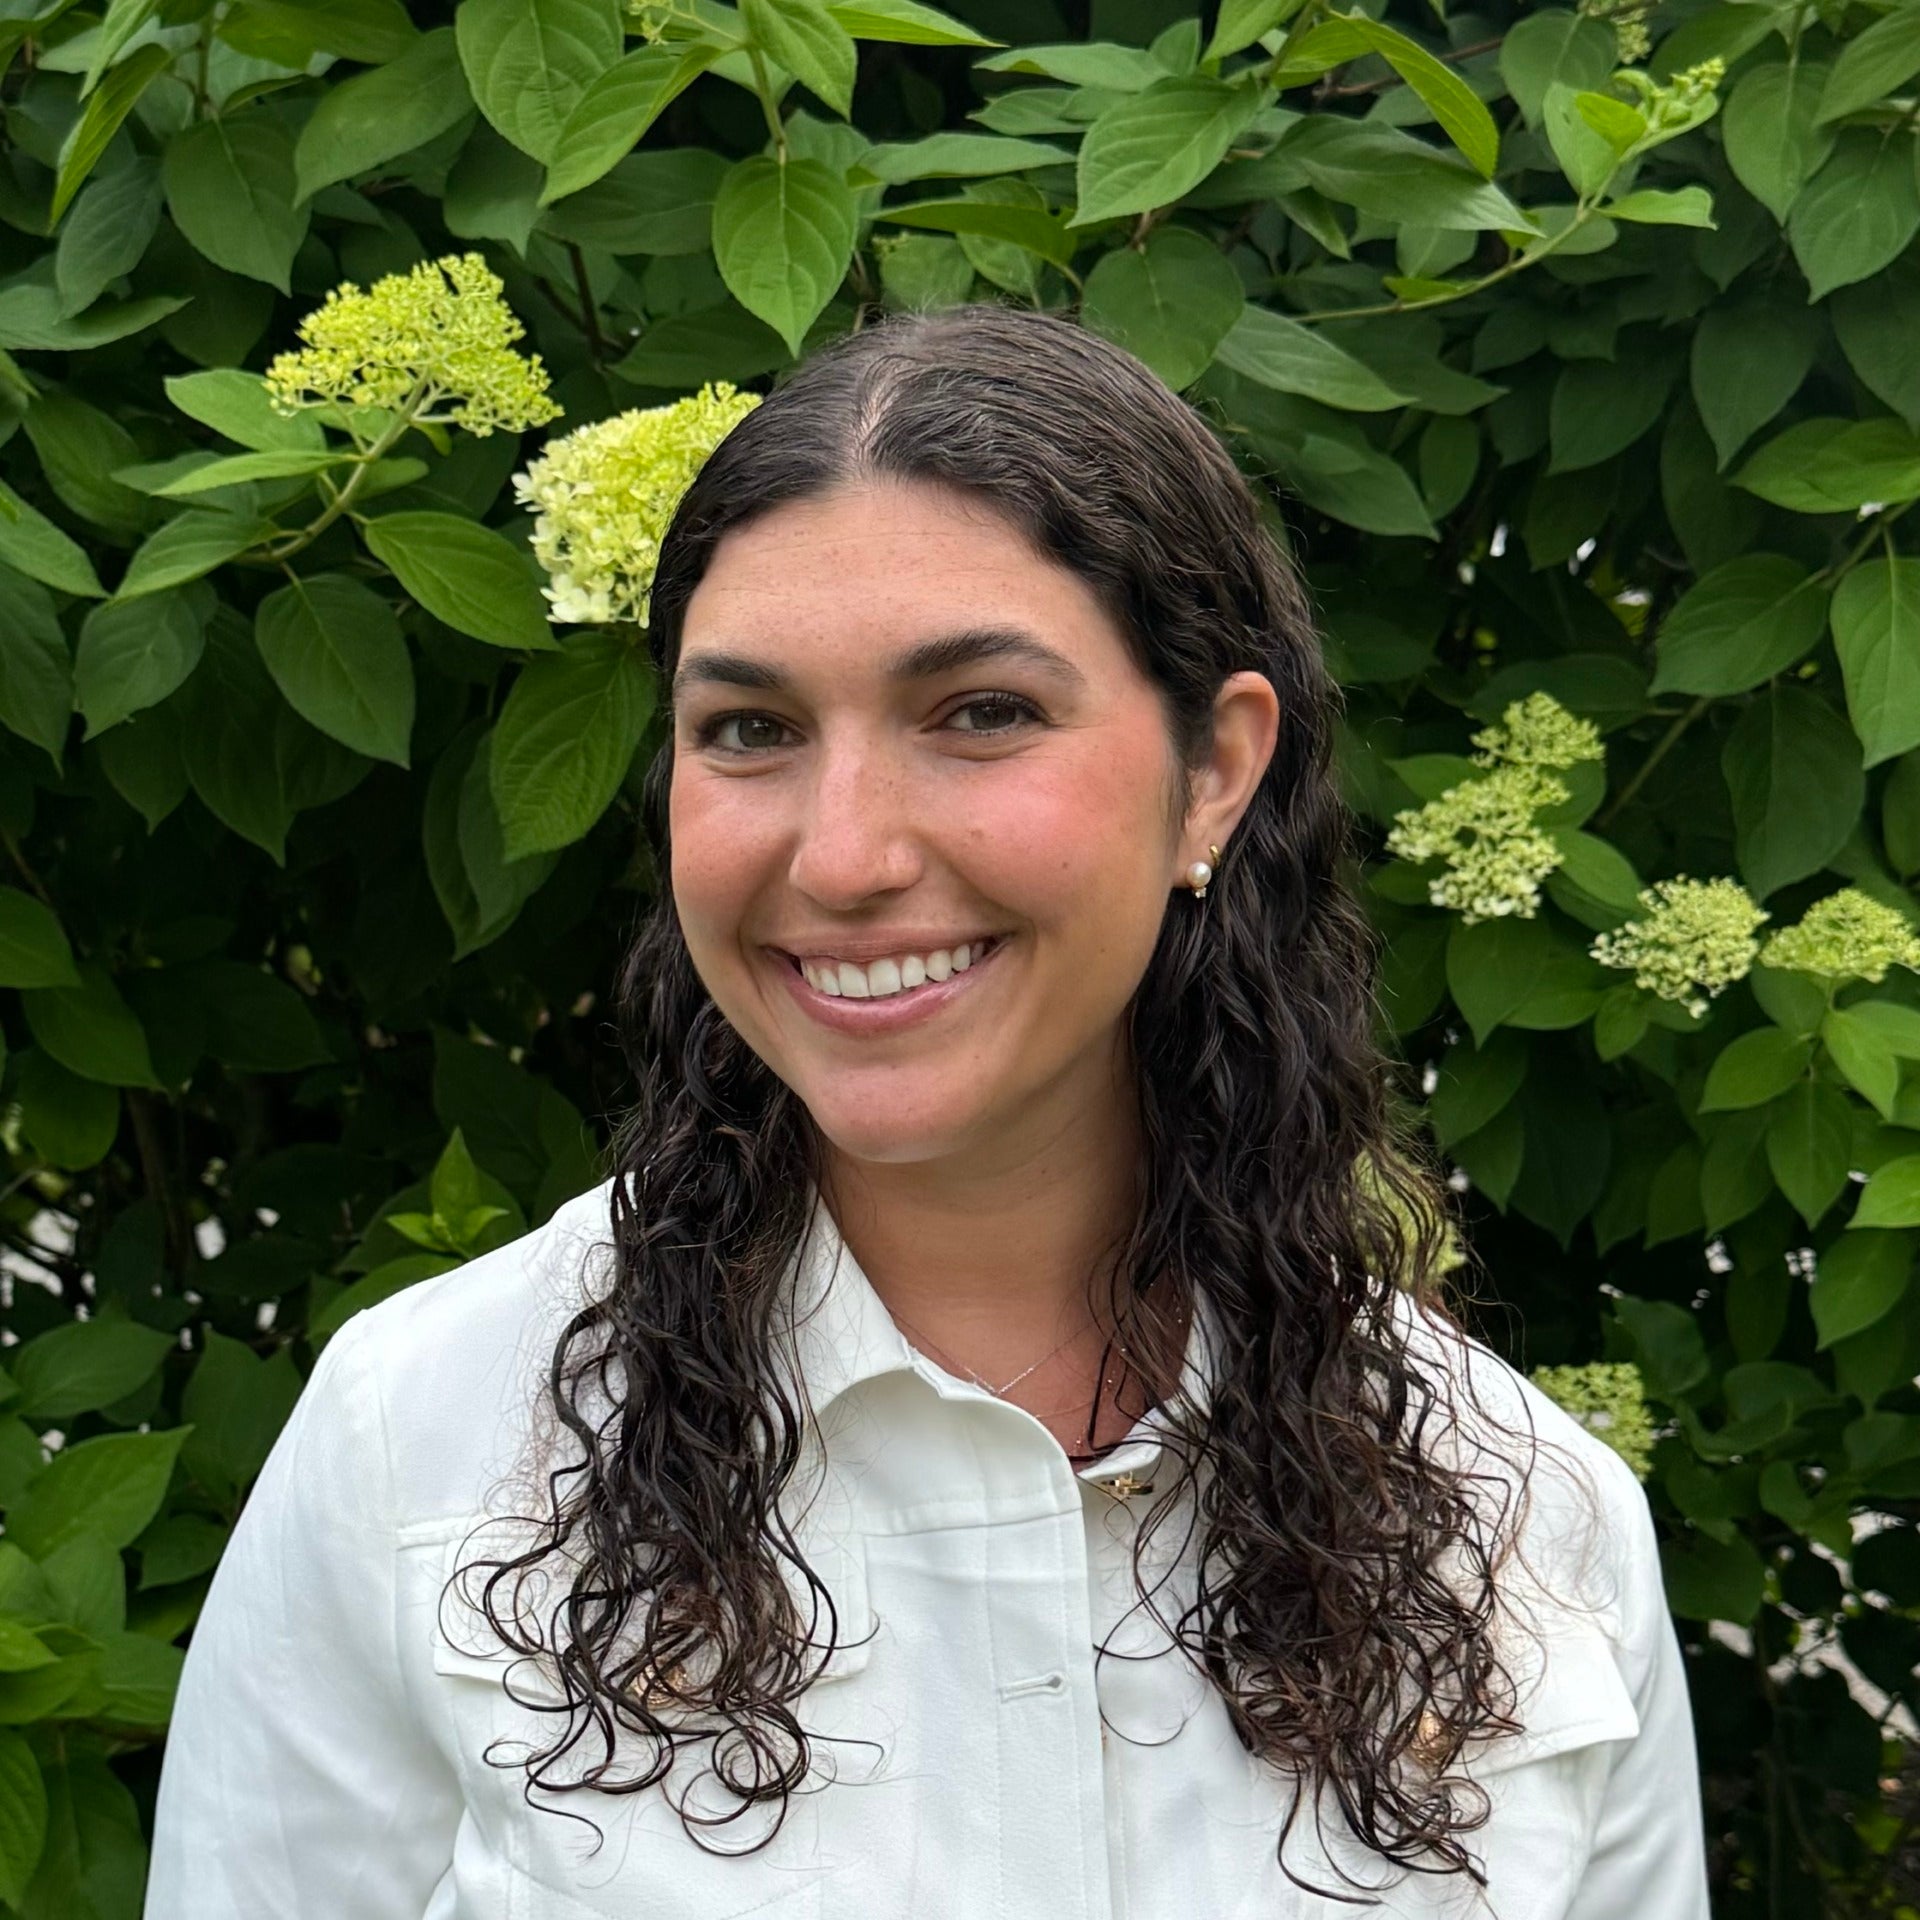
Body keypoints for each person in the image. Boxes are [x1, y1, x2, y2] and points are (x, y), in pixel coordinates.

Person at [145, 304, 1710, 1920]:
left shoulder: (1530, 1532)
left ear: (1215, 772)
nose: (842, 857)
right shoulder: (417, 1447)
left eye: (981, 713)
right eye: (750, 730)